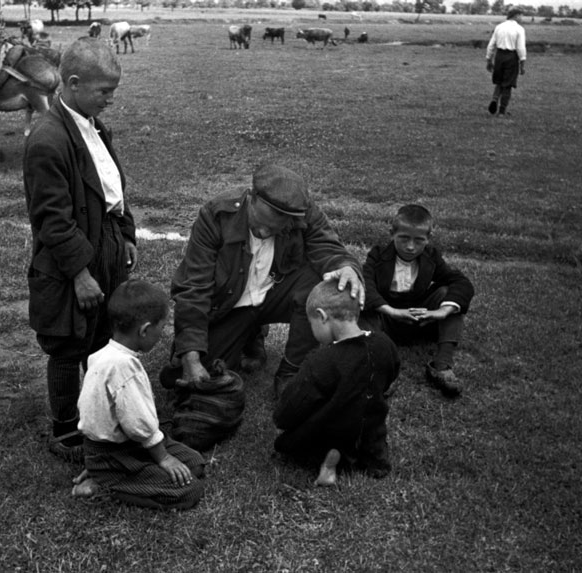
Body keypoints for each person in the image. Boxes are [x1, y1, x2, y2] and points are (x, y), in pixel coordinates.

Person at [23, 37, 138, 462]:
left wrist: (125, 233)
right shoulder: (48, 139)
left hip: (103, 241)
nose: (110, 100)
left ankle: (98, 415)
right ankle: (66, 429)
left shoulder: (94, 125)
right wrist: (80, 273)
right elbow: (52, 219)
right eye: (104, 91)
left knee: (100, 335)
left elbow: (112, 185)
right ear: (72, 83)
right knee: (69, 343)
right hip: (70, 258)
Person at [166, 164, 364, 396]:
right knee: (188, 378)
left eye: (275, 228)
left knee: (317, 281)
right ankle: (250, 335)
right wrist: (190, 354)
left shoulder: (303, 212)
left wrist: (346, 267)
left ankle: (291, 371)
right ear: (251, 198)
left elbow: (328, 246)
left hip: (273, 296)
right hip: (228, 306)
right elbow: (194, 287)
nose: (264, 231)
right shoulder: (215, 215)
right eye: (260, 224)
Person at [71, 280, 205, 509]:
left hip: (121, 445)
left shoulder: (102, 355)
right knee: (188, 490)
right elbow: (139, 425)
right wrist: (163, 458)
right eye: (161, 329)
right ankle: (107, 484)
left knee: (195, 464)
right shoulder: (124, 368)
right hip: (113, 455)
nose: (162, 335)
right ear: (144, 330)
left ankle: (102, 472)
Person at [273, 279, 400, 486]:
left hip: (332, 431)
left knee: (306, 434)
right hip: (370, 431)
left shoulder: (322, 360)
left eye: (311, 323)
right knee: (370, 425)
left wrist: (282, 419)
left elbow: (291, 407)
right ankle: (376, 463)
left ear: (322, 317)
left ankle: (330, 463)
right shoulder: (385, 344)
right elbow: (391, 375)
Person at [361, 204, 474, 398]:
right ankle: (382, 372)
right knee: (363, 310)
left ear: (428, 239)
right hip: (387, 319)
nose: (411, 247)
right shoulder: (378, 255)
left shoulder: (431, 257)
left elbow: (460, 282)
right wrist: (392, 311)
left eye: (419, 241)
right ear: (392, 234)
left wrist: (441, 312)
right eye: (404, 239)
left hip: (420, 319)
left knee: (449, 295)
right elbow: (366, 286)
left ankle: (442, 365)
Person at [485, 8, 527, 117]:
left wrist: (489, 60)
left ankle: (494, 99)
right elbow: (520, 47)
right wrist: (522, 63)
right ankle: (502, 111)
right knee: (508, 84)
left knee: (499, 82)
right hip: (511, 57)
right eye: (521, 15)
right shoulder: (519, 29)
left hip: (499, 56)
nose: (522, 18)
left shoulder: (499, 27)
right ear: (516, 16)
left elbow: (491, 45)